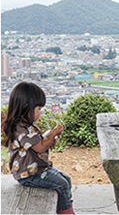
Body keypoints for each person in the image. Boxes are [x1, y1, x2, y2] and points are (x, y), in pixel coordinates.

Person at [2, 81, 75, 214]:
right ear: (26, 107)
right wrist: (52, 134)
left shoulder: (25, 125)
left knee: (66, 180)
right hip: (28, 174)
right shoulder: (21, 129)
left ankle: (63, 208)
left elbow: (36, 144)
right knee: (62, 184)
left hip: (38, 169)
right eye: (39, 109)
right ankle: (66, 212)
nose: (40, 112)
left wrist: (49, 138)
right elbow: (40, 148)